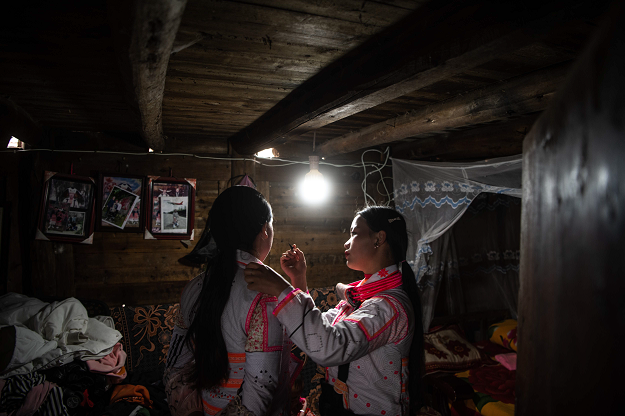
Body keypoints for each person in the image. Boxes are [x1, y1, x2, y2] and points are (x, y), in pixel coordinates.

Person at [245, 206, 425, 416]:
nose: (346, 243)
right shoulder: (362, 296)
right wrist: (299, 280)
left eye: (354, 234)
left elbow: (329, 346)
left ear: (379, 238)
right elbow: (321, 328)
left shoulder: (389, 307)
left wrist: (282, 289)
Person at [164, 185, 298, 416]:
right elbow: (261, 389)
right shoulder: (264, 294)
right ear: (265, 230)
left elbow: (176, 363)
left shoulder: (194, 287)